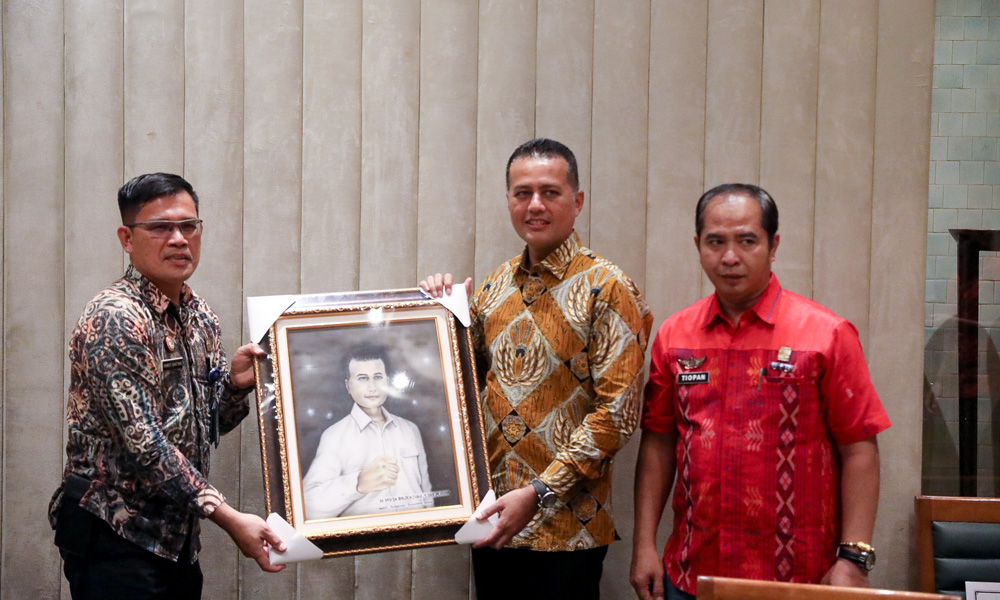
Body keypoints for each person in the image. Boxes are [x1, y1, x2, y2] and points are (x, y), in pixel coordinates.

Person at [629, 183, 891, 600]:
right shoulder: (674, 335)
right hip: (690, 574)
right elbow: (659, 442)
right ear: (698, 245)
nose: (730, 256)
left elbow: (860, 450)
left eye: (747, 241)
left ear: (773, 245)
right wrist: (644, 546)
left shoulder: (827, 334)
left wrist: (854, 559)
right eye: (716, 242)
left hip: (800, 578)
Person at [421, 138, 653, 599]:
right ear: (508, 199)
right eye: (522, 193)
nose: (535, 205)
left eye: (550, 192)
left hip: (568, 529)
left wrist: (540, 492)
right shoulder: (493, 286)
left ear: (577, 200)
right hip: (493, 522)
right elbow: (463, 386)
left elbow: (617, 416)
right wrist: (440, 314)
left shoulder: (607, 288)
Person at [48, 173, 286, 600]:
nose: (179, 239)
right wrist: (228, 517)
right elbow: (145, 445)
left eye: (189, 226)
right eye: (160, 227)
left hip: (176, 538)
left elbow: (204, 428)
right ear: (127, 237)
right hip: (115, 536)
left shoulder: (200, 317)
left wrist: (234, 386)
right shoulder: (116, 317)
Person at [302, 345, 434, 518]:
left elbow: (426, 493)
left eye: (378, 377)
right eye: (362, 378)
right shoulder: (334, 436)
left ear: (387, 381)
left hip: (418, 534)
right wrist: (358, 484)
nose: (372, 387)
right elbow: (309, 506)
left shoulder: (410, 429)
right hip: (366, 540)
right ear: (348, 386)